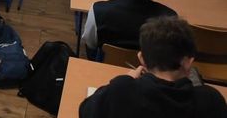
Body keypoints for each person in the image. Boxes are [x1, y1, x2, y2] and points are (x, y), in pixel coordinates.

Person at [79, 16, 227, 118]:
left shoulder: (121, 90)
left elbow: (85, 111)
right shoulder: (211, 100)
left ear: (141, 59)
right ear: (188, 62)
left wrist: (126, 79)